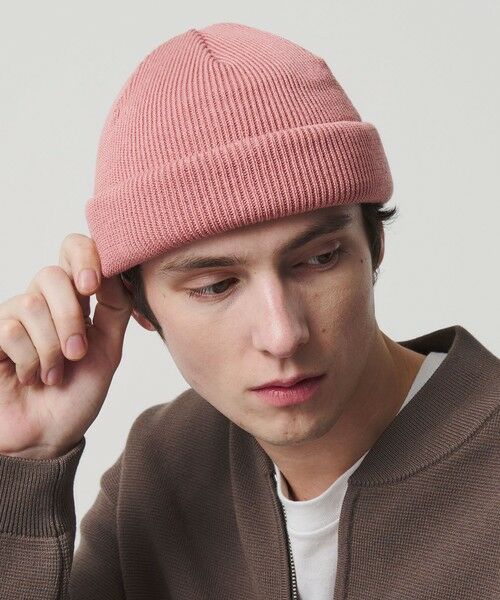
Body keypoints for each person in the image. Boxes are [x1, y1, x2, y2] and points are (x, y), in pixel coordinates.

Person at [0, 22, 498, 600]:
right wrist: (23, 463)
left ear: (374, 246)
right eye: (215, 286)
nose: (282, 335)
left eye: (320, 259)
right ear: (138, 305)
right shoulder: (162, 471)